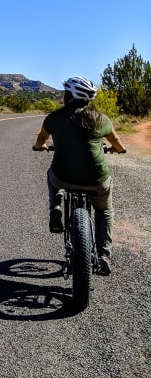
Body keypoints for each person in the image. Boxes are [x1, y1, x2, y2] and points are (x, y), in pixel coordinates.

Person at [32, 76, 126, 276]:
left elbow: (40, 140)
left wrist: (41, 147)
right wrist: (119, 149)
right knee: (104, 211)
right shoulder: (101, 119)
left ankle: (56, 206)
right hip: (97, 180)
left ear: (68, 97)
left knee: (51, 176)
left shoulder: (54, 118)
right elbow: (117, 142)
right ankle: (103, 256)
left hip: (63, 176)